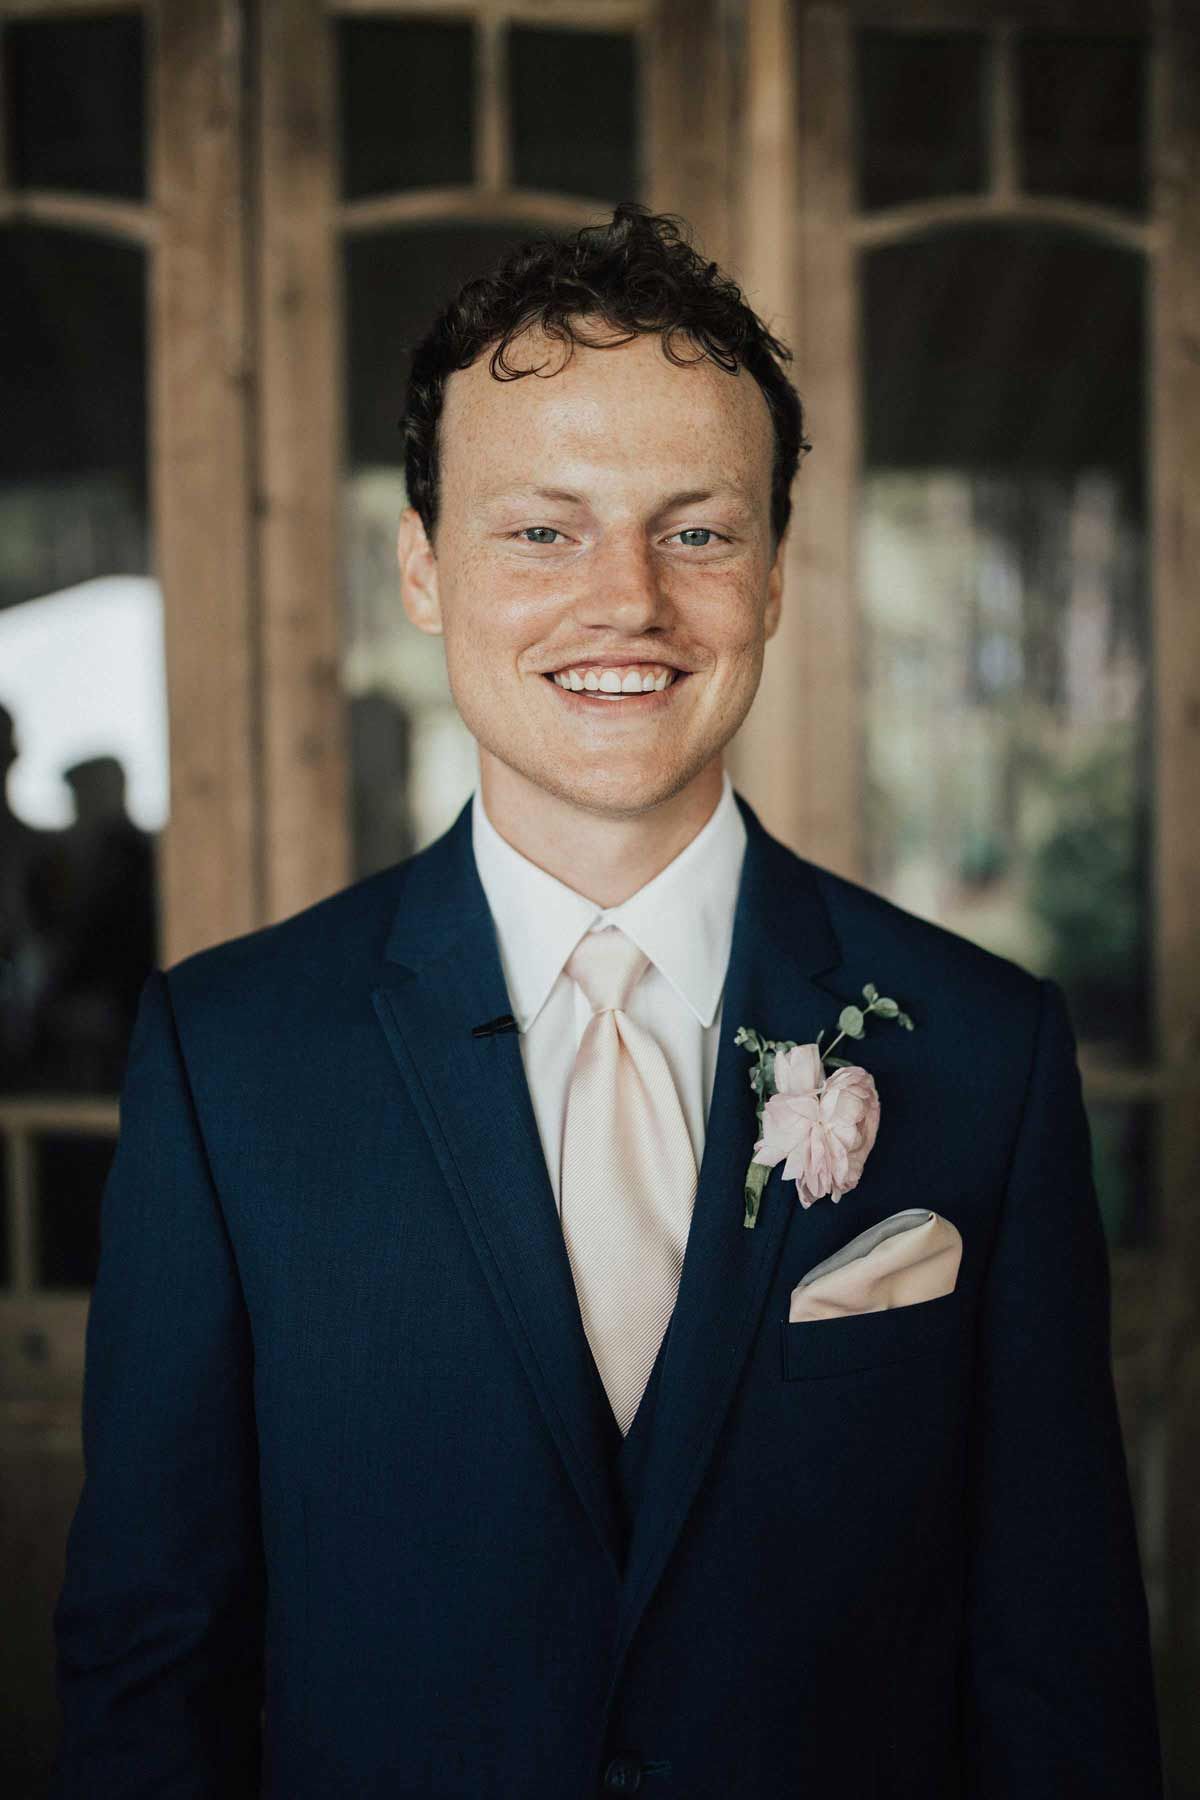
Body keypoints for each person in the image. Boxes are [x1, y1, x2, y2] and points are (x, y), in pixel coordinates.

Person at [52, 204, 1162, 1798]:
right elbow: (154, 1670)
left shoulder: (985, 1051)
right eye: (541, 530)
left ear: (775, 574)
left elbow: (1061, 1666)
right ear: (425, 571)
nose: (627, 599)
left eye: (696, 530)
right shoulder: (227, 1062)